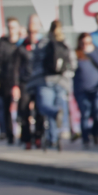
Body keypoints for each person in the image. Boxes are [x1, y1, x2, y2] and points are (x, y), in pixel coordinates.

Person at [37, 21, 75, 151]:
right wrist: (67, 76)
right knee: (57, 110)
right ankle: (53, 137)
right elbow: (73, 64)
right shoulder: (65, 43)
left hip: (46, 80)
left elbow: (36, 62)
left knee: (45, 108)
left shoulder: (43, 43)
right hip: (61, 81)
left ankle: (52, 139)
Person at [73, 32, 98, 148]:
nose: (85, 45)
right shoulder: (76, 53)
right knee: (85, 113)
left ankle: (95, 133)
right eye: (83, 43)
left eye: (88, 42)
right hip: (81, 90)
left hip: (97, 89)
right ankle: (85, 139)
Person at [0, 17, 22, 144]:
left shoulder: (22, 43)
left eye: (14, 27)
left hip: (21, 80)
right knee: (6, 109)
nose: (11, 30)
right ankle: (10, 135)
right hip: (6, 81)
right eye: (9, 27)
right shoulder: (2, 44)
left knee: (23, 108)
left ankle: (25, 134)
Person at [17, 17, 43, 149]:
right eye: (30, 32)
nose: (32, 34)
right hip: (25, 83)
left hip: (38, 82)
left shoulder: (42, 45)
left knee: (40, 111)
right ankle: (27, 139)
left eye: (35, 32)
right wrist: (15, 85)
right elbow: (16, 68)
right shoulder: (21, 47)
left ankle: (38, 137)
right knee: (24, 111)